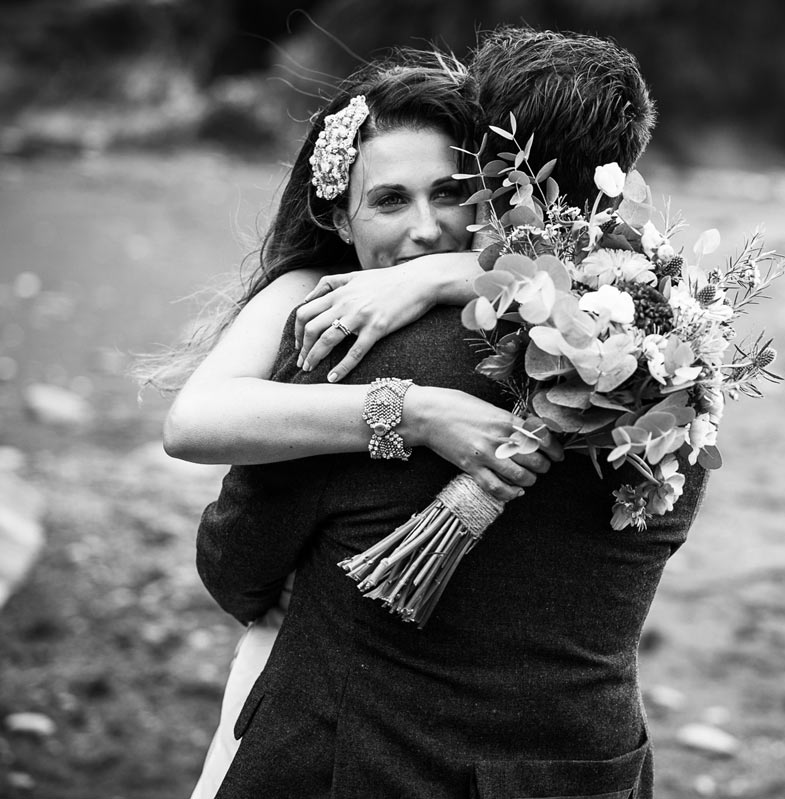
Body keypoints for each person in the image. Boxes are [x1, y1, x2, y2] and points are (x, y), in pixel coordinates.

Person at [181, 28, 705, 799]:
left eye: (452, 191)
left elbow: (236, 563)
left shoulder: (352, 354)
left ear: (498, 177)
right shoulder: (679, 373)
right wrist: (418, 406)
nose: (427, 231)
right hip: (581, 775)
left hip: (365, 766)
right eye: (390, 200)